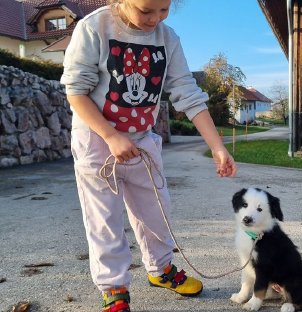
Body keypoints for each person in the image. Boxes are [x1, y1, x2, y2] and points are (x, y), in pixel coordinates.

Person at [61, 0, 237, 311]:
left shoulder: (167, 39)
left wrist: (216, 145)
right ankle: (114, 287)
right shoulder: (95, 28)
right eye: (146, 10)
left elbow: (187, 92)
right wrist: (111, 136)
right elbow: (76, 91)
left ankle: (161, 269)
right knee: (104, 218)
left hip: (143, 140)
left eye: (164, 10)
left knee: (157, 210)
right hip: (97, 140)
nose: (154, 19)